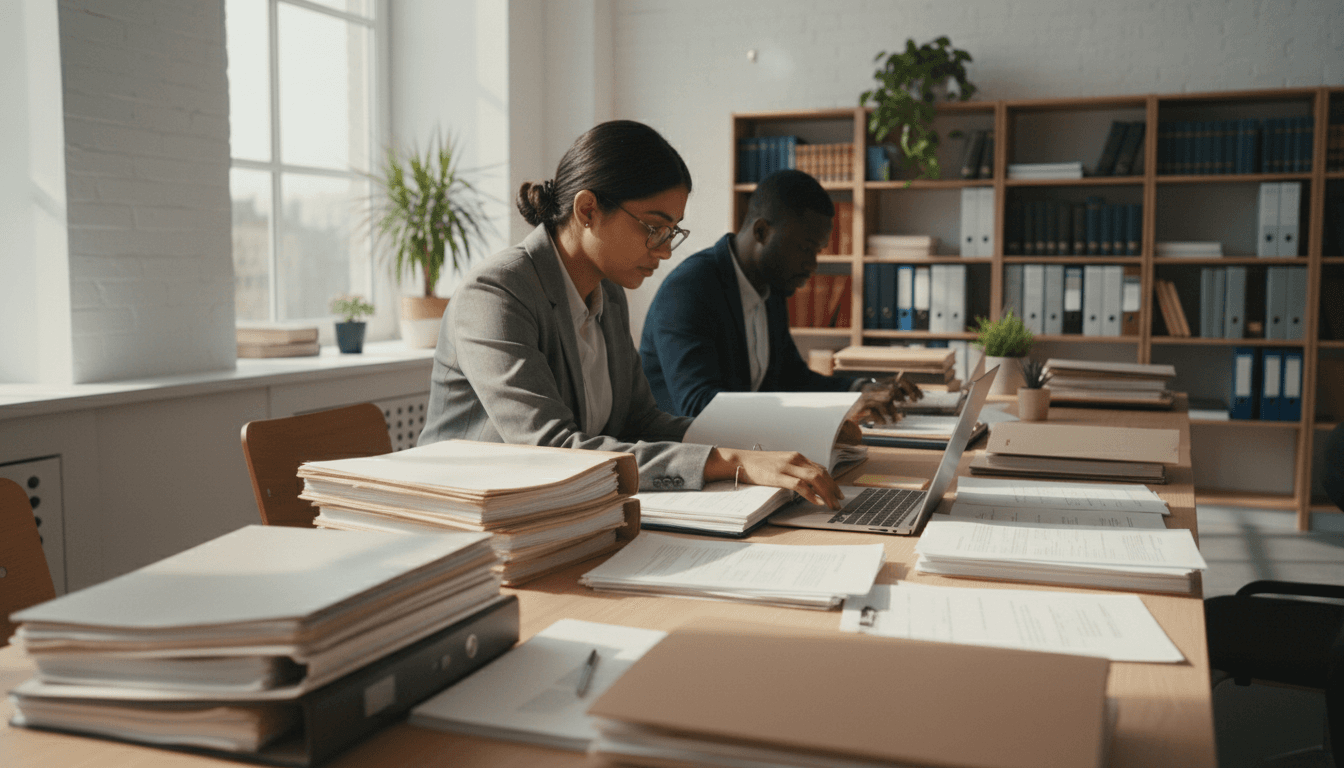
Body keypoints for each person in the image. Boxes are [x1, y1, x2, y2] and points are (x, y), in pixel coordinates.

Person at [418, 120, 842, 508]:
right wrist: (730, 460)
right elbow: (551, 450)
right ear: (587, 211)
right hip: (464, 522)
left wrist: (770, 447)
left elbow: (640, 419)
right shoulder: (496, 294)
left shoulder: (609, 293)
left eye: (672, 231)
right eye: (654, 227)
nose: (663, 250)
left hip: (559, 514)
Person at [640, 169, 918, 418]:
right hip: (686, 460)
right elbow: (698, 405)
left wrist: (860, 390)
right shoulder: (690, 289)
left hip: (745, 450)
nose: (812, 265)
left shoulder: (770, 288)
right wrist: (833, 408)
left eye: (817, 251)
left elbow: (792, 378)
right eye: (804, 248)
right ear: (762, 231)